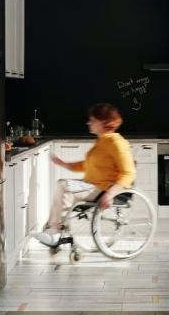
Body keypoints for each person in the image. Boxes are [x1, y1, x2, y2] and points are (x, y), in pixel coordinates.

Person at [31, 103, 136, 247]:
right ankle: (54, 228)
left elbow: (128, 173)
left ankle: (55, 231)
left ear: (105, 122)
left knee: (64, 187)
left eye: (92, 120)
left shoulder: (116, 143)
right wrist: (63, 163)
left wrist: (110, 194)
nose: (88, 122)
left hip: (102, 188)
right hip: (92, 185)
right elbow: (87, 164)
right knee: (62, 184)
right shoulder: (102, 141)